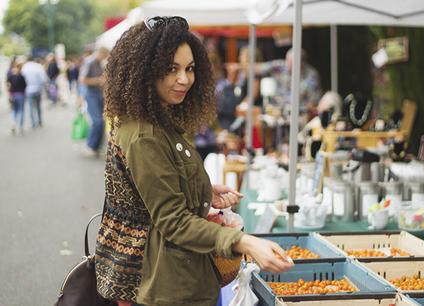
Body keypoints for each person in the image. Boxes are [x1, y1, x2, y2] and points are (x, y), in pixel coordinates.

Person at [95, 16, 293, 306]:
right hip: (163, 286)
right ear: (144, 71)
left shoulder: (159, 118)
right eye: (171, 69)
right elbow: (173, 221)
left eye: (189, 68)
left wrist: (203, 190)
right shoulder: (143, 134)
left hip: (177, 278)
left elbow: (158, 189)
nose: (184, 79)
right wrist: (245, 242)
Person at [259, 48, 322, 113]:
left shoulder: (311, 76)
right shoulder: (280, 66)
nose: (287, 65)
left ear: (301, 63)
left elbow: (313, 104)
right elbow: (257, 68)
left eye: (291, 62)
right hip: (276, 110)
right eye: (287, 60)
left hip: (298, 113)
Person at [79, 46, 110, 157]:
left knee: (101, 121)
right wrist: (98, 80)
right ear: (101, 53)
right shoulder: (90, 62)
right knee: (97, 121)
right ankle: (91, 145)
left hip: (98, 94)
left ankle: (96, 146)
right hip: (91, 95)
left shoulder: (98, 63)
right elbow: (82, 80)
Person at [21, 57, 47, 128]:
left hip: (28, 89)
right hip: (38, 89)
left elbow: (22, 79)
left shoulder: (25, 67)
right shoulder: (38, 67)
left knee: (31, 107)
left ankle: (33, 123)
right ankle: (39, 121)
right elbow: (43, 79)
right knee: (38, 106)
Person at [6, 62, 27, 135]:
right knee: (21, 110)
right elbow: (25, 86)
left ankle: (13, 123)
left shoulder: (10, 77)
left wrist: (9, 95)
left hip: (13, 95)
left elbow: (8, 86)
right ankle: (20, 126)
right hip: (21, 95)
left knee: (14, 111)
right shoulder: (21, 76)